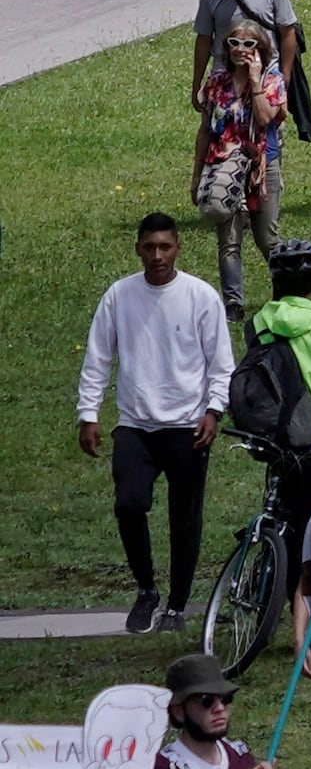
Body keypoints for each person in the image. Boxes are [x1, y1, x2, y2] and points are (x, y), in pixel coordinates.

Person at [76, 215, 230, 635]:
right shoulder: (119, 296)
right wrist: (88, 413)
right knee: (128, 503)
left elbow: (221, 363)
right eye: (149, 247)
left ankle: (177, 606)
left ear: (178, 247)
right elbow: (98, 357)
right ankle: (147, 590)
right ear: (138, 249)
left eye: (165, 246)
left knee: (185, 517)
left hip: (187, 425)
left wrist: (214, 410)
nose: (157, 255)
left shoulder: (200, 296)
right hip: (135, 426)